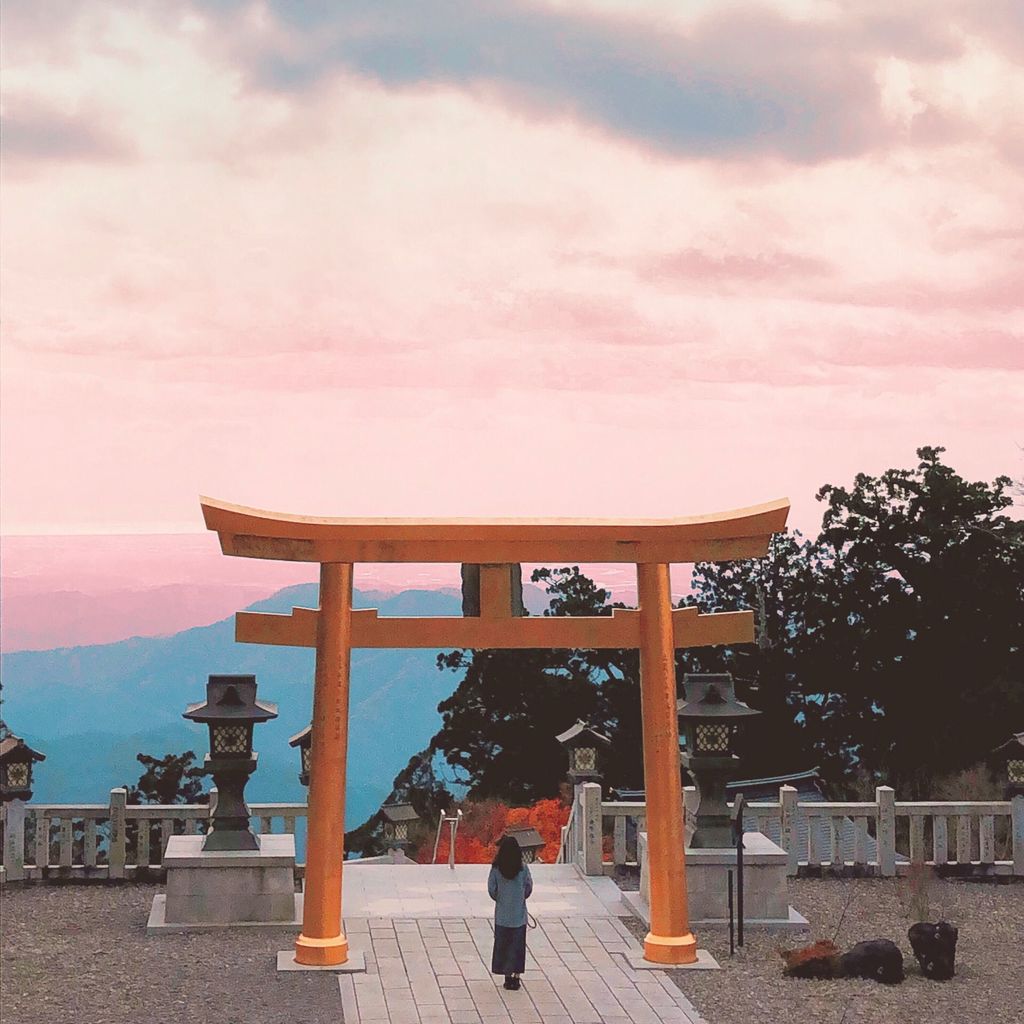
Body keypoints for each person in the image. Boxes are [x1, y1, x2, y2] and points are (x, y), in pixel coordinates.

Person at [487, 835, 533, 990]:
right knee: (517, 946)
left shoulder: (496, 869)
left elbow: (492, 890)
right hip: (518, 915)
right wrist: (520, 897)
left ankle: (507, 977)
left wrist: (501, 898)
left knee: (504, 945)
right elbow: (528, 888)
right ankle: (516, 976)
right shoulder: (523, 868)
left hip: (502, 916)